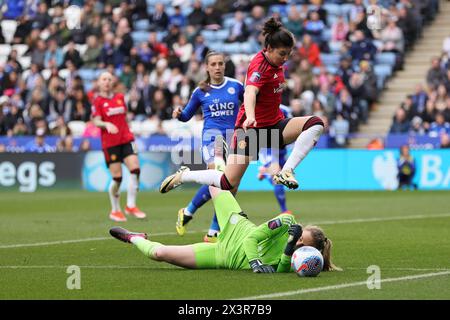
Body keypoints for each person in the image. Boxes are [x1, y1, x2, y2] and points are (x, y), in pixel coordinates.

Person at [160, 18, 324, 195]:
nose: (285, 59)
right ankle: (185, 176)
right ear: (268, 49)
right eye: (282, 53)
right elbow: (250, 92)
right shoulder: (260, 67)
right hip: (250, 131)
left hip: (273, 127)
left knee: (315, 123)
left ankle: (286, 171)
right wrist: (251, 116)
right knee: (227, 182)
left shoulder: (275, 62)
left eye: (288, 54)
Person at [110, 185, 340, 273]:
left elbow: (280, 269)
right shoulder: (288, 222)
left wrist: (289, 249)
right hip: (236, 227)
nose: (299, 242)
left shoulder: (301, 259)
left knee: (158, 254)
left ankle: (134, 238)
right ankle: (190, 204)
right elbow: (252, 239)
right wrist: (255, 263)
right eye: (301, 238)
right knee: (217, 182)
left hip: (223, 256)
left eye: (303, 244)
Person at [172, 51, 244, 243]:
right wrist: (178, 113)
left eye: (220, 63)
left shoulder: (236, 86)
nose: (218, 67)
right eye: (213, 64)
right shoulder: (200, 91)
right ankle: (190, 213)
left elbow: (249, 105)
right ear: (207, 67)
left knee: (230, 186)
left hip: (234, 138)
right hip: (212, 139)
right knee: (218, 176)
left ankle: (211, 231)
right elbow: (186, 115)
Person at [92, 72, 146, 222]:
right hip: (110, 143)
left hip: (126, 139)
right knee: (117, 178)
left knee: (135, 169)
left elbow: (125, 116)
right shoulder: (98, 101)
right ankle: (115, 210)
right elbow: (95, 121)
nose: (107, 82)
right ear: (99, 82)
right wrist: (106, 123)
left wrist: (129, 128)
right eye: (104, 79)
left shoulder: (120, 97)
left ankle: (131, 205)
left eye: (109, 79)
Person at [256, 105, 292, 214]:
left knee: (284, 179)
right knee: (278, 178)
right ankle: (284, 210)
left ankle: (265, 172)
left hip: (281, 149)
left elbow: (291, 125)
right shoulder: (260, 107)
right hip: (268, 147)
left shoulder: (285, 110)